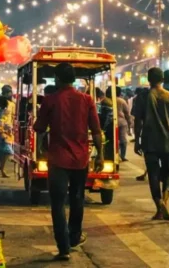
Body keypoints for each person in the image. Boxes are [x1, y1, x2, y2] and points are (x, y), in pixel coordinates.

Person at [34, 63, 103, 262]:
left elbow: (39, 128)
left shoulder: (50, 100)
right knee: (77, 198)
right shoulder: (86, 99)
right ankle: (74, 236)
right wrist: (98, 154)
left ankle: (63, 247)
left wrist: (39, 147)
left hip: (57, 159)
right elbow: (96, 130)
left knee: (57, 203)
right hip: (81, 159)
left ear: (57, 78)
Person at [134, 67, 169, 221]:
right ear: (163, 79)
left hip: (149, 142)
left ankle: (159, 204)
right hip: (168, 141)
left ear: (148, 79)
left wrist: (137, 140)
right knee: (168, 172)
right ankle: (165, 203)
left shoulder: (142, 97)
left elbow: (137, 122)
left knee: (153, 174)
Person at [0, 85, 15, 178]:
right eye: (9, 92)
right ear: (5, 93)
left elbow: (13, 117)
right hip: (1, 130)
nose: (11, 94)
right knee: (6, 151)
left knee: (3, 152)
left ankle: (1, 169)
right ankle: (1, 169)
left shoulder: (12, 104)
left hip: (8, 130)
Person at [107, 86, 132, 162]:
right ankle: (123, 156)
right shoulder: (122, 101)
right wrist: (129, 123)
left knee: (112, 140)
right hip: (121, 122)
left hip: (110, 122)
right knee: (123, 140)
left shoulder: (108, 100)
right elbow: (127, 113)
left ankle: (113, 155)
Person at [131, 87, 149, 182]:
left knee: (149, 156)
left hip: (148, 134)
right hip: (167, 134)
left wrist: (137, 141)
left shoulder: (140, 98)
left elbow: (138, 121)